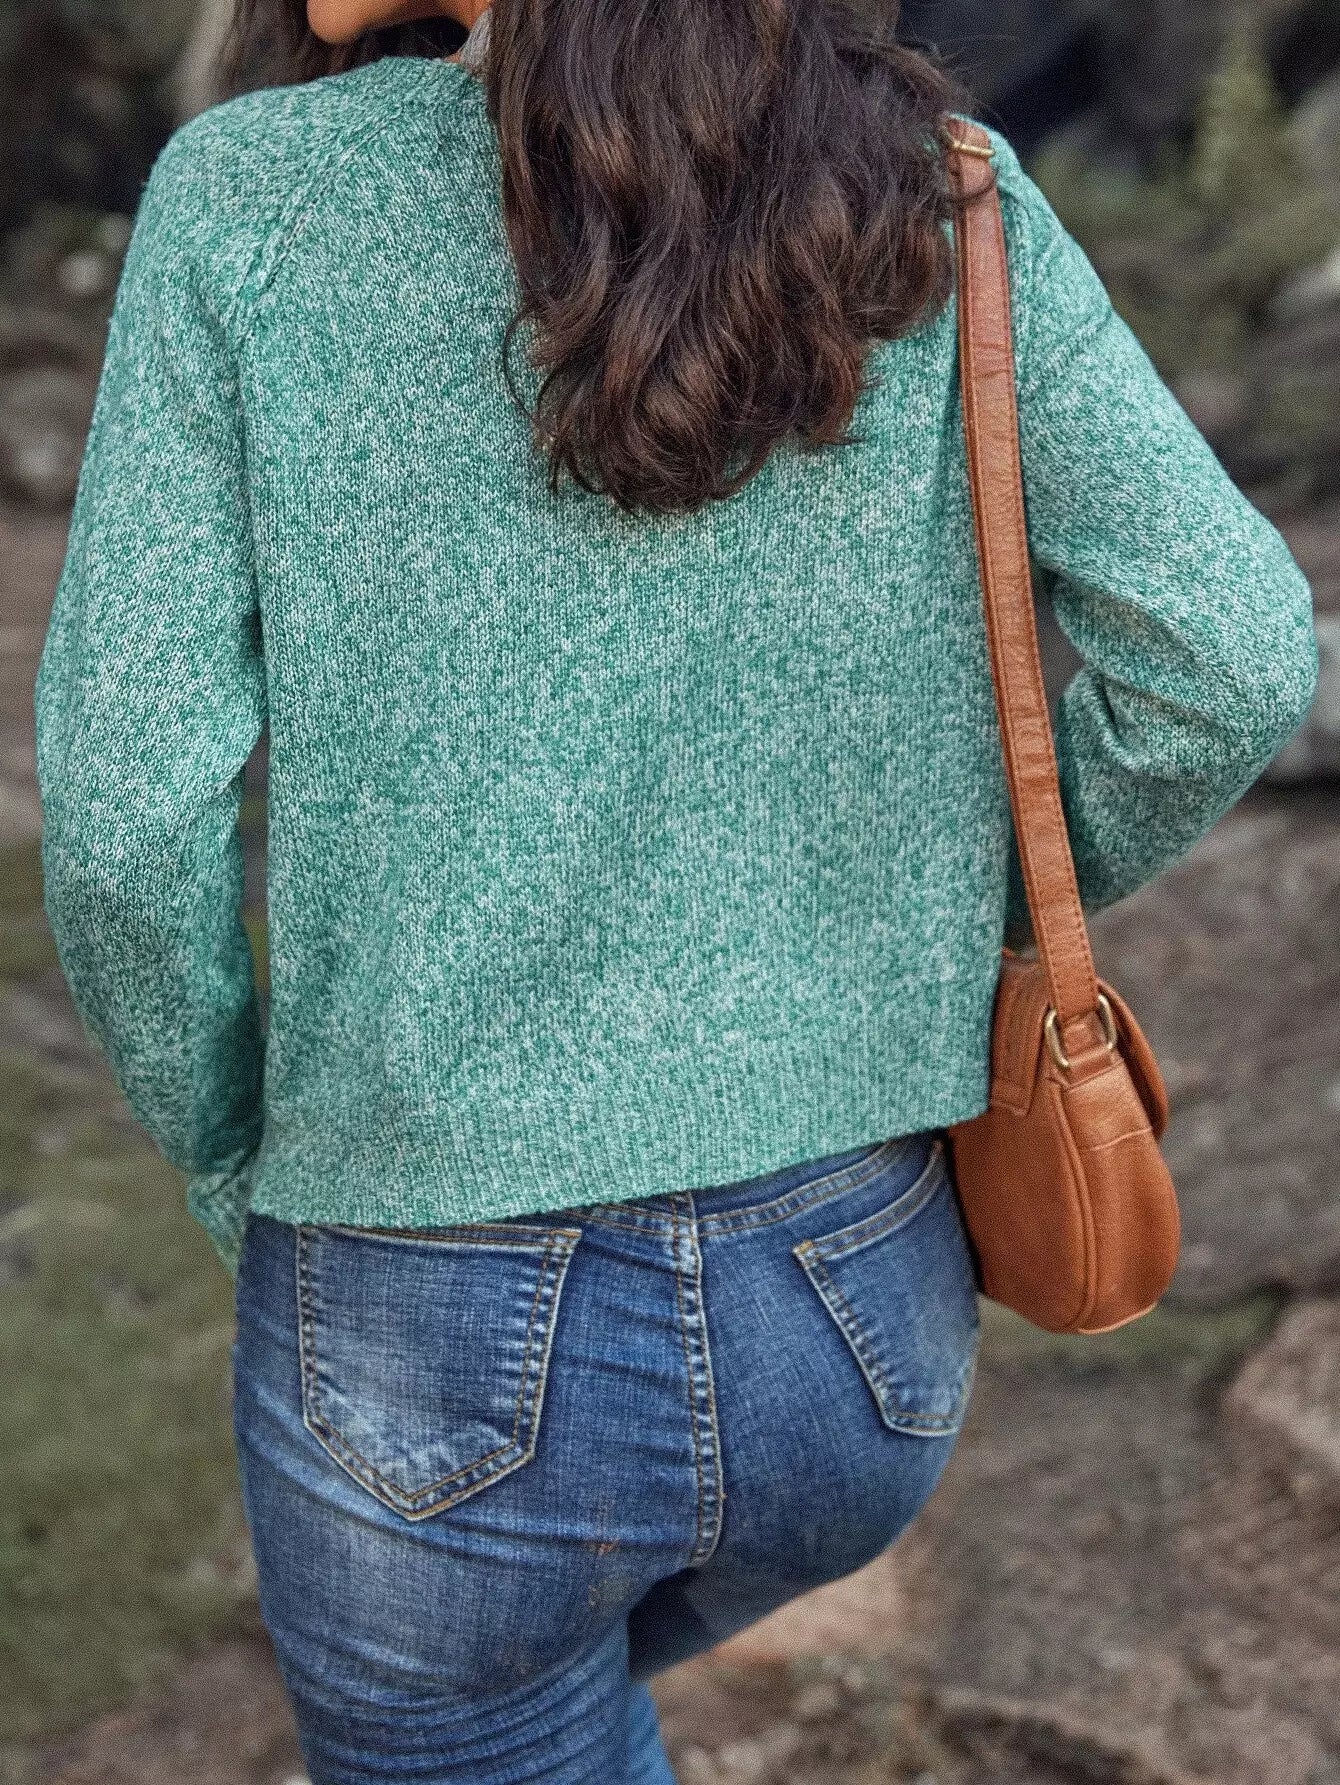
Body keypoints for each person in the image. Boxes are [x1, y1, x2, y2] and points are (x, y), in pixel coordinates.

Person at [32, 0, 1318, 1778]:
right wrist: (941, 923)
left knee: (501, 1699)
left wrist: (228, 1136)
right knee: (562, 1710)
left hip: (425, 1330)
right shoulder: (942, 185)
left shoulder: (252, 205)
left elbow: (122, 813)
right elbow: (1230, 654)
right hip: (861, 1319)